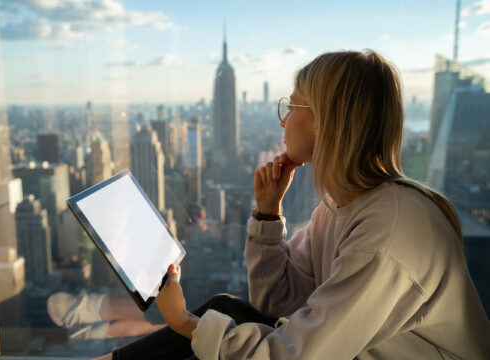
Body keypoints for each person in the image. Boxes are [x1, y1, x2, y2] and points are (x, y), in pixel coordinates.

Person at [95, 50, 490, 360]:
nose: (283, 122)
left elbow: (290, 357)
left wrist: (182, 321)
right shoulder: (340, 209)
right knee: (226, 308)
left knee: (215, 324)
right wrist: (268, 215)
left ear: (322, 121)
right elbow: (276, 302)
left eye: (293, 107)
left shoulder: (387, 232)